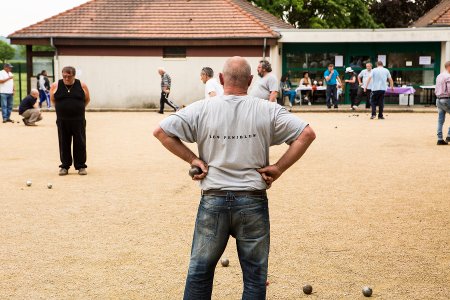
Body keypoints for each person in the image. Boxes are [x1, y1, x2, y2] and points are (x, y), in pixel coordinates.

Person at [154, 56, 316, 299]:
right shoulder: (267, 109)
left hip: (213, 199)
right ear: (251, 81)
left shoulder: (201, 108)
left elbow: (161, 131)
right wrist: (279, 168)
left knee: (199, 271)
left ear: (220, 79)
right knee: (255, 277)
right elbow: (307, 134)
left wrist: (193, 159)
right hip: (252, 200)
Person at [50, 66, 90, 176]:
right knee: (64, 143)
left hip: (78, 120)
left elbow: (87, 100)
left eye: (69, 76)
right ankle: (64, 166)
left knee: (80, 143)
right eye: (64, 76)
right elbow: (53, 100)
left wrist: (79, 109)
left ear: (74, 75)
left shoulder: (82, 85)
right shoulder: (55, 85)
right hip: (63, 120)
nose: (66, 78)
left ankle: (81, 166)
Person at [434, 60, 450, 145]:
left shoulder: (439, 76)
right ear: (449, 67)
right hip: (446, 99)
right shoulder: (448, 76)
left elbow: (436, 89)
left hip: (438, 99)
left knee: (440, 120)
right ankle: (449, 135)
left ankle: (439, 139)